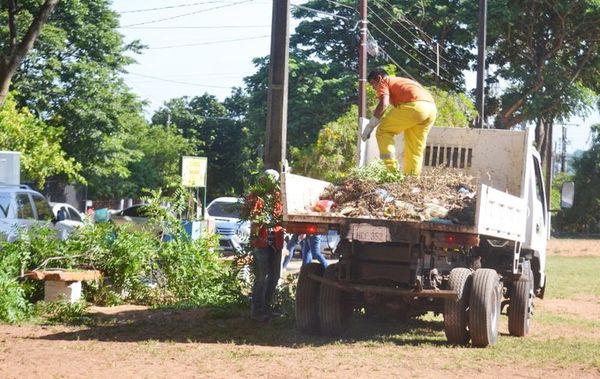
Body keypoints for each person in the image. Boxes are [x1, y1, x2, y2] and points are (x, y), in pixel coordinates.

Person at [361, 68, 437, 176]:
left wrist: (370, 125)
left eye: (373, 85)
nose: (374, 89)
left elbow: (384, 104)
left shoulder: (384, 81)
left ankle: (391, 172)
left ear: (379, 78)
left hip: (415, 106)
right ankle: (411, 181)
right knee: (414, 149)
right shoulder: (402, 81)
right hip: (431, 109)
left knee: (383, 131)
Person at [244, 169, 285, 322]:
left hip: (276, 240)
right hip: (261, 242)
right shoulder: (255, 197)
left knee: (274, 276)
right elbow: (247, 213)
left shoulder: (279, 197)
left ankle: (267, 307)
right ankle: (257, 310)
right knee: (262, 276)